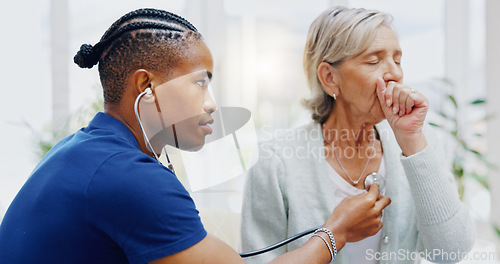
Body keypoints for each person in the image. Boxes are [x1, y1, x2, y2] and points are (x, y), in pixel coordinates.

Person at [0, 8, 391, 264]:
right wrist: (336, 231)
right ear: (146, 86)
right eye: (200, 83)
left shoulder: (82, 150)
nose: (211, 105)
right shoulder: (127, 177)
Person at [240, 6, 475, 264]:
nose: (395, 73)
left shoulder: (418, 141)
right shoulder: (274, 162)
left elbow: (450, 251)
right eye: (374, 61)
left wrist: (412, 142)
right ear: (329, 78)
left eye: (397, 60)